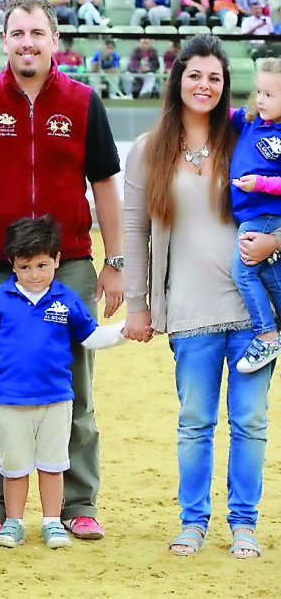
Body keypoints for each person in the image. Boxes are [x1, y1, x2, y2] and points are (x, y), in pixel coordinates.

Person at [0, 0, 124, 543]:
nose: (27, 42)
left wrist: (114, 261)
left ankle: (77, 503)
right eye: (17, 32)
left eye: (37, 33)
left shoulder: (82, 101)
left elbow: (104, 184)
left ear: (55, 40)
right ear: (4, 41)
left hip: (69, 265)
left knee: (74, 389)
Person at [123, 34, 272, 560]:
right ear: (177, 81)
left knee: (250, 421)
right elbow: (134, 227)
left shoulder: (249, 140)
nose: (204, 85)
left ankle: (244, 524)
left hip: (255, 312)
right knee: (195, 422)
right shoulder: (148, 150)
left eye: (214, 77)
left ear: (226, 85)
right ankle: (193, 522)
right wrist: (139, 303)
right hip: (188, 310)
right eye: (194, 75)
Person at [0, 215, 124, 549]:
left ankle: (52, 522)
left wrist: (127, 331)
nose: (34, 275)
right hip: (9, 401)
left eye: (42, 265)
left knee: (53, 465)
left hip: (56, 400)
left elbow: (91, 337)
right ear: (12, 265)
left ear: (57, 261)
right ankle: (14, 522)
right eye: (24, 267)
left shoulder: (67, 299)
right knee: (14, 467)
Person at [228, 60, 281, 371]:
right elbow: (220, 112)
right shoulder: (250, 121)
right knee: (270, 274)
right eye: (259, 91)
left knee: (244, 273)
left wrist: (260, 183)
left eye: (270, 95)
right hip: (252, 213)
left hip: (266, 213)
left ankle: (267, 335)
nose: (261, 99)